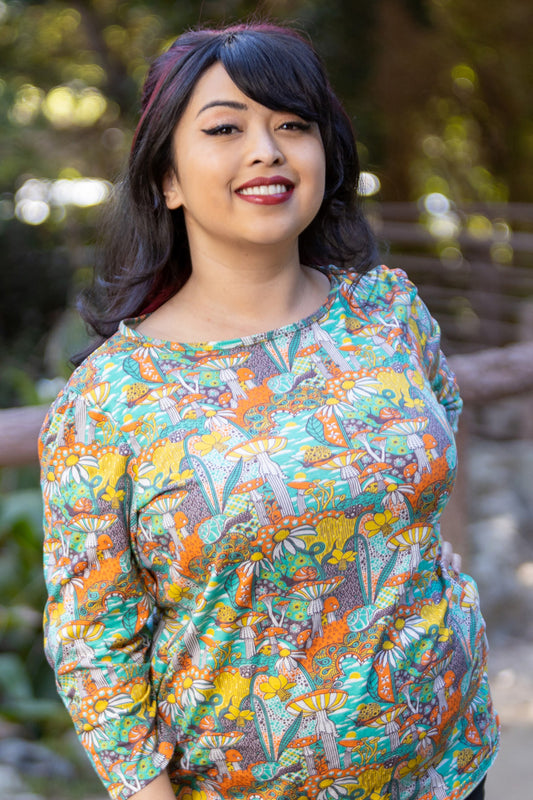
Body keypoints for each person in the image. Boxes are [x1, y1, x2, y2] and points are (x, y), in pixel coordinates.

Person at [39, 22, 499, 800]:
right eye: (225, 128)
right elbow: (96, 648)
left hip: (451, 768)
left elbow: (433, 470)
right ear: (165, 179)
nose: (268, 149)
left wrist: (446, 588)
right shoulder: (110, 400)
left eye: (292, 125)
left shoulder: (388, 313)